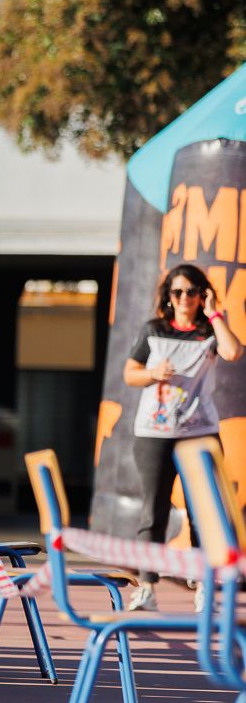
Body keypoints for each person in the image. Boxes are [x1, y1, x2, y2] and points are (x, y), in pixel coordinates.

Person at [123, 262, 241, 612]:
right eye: (178, 292)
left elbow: (233, 352)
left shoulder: (208, 332)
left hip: (199, 434)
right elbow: (130, 374)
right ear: (168, 297)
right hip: (153, 432)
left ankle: (204, 584)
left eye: (192, 291)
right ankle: (146, 586)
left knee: (202, 511)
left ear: (202, 294)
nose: (185, 298)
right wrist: (152, 372)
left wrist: (214, 313)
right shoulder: (153, 330)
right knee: (153, 510)